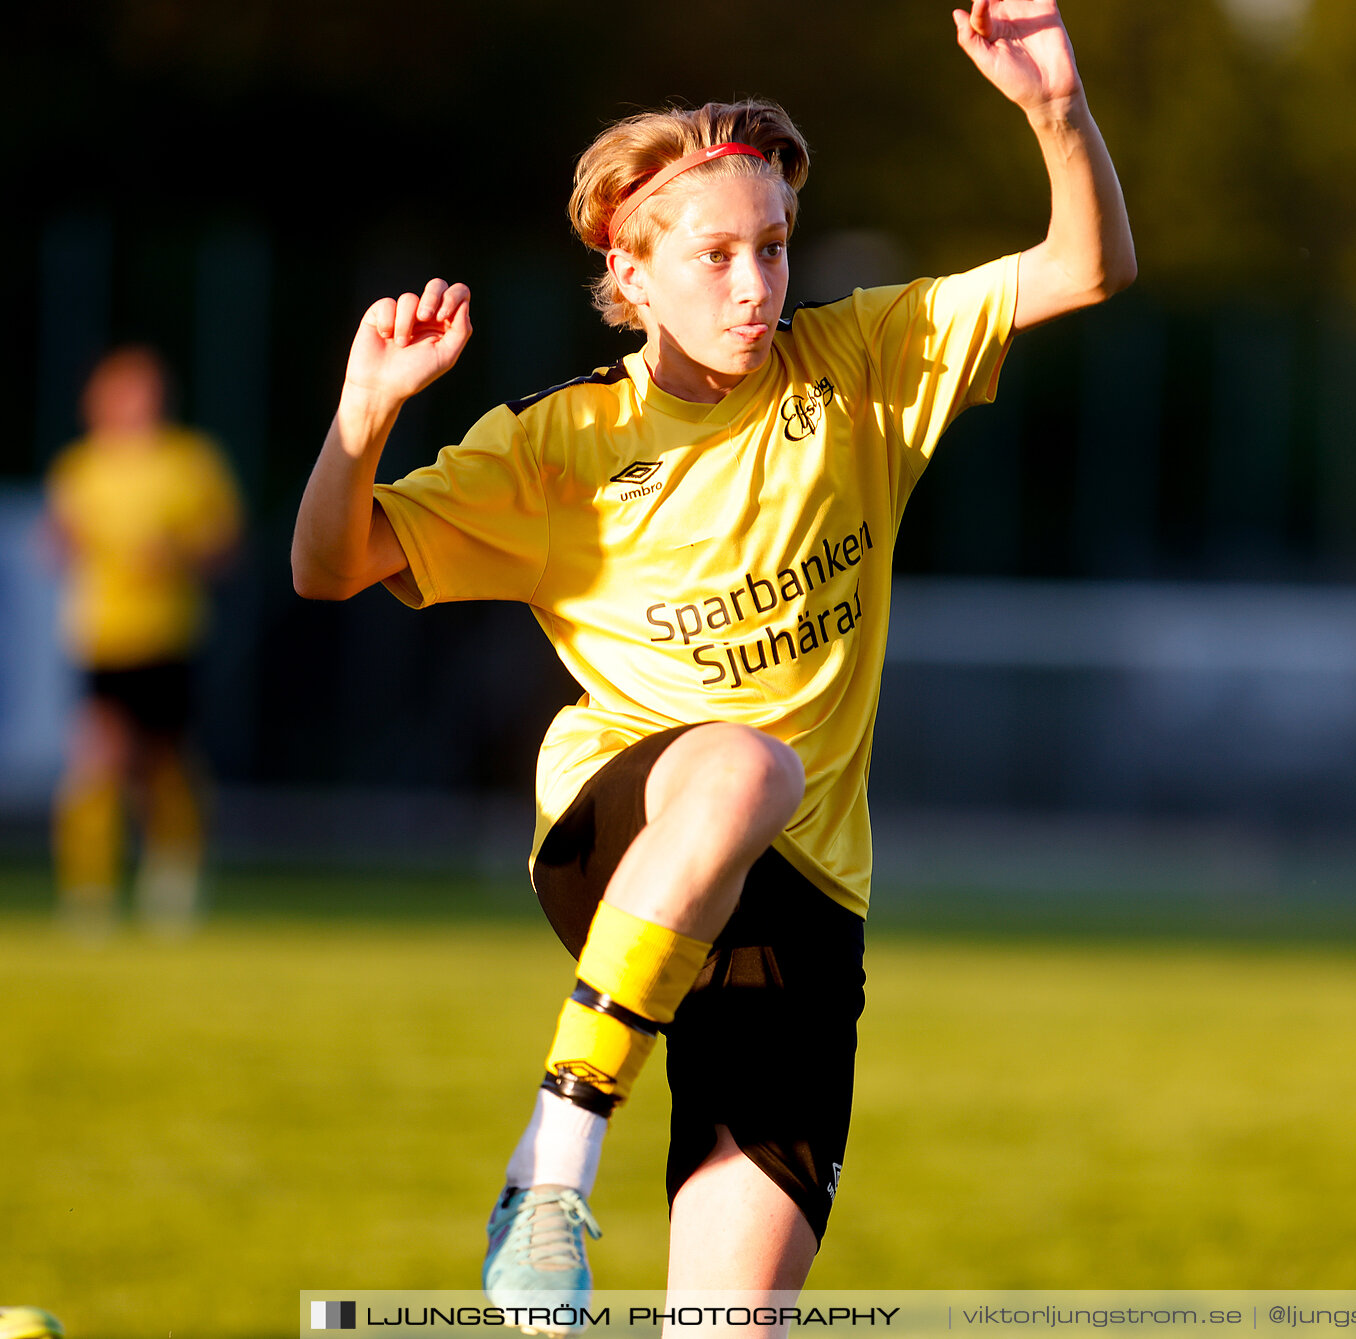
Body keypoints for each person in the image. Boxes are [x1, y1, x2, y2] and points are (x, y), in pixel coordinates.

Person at [291, 0, 1132, 1323]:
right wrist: (361, 420)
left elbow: (1085, 267)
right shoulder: (560, 445)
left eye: (777, 247)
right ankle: (552, 1168)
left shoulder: (859, 366)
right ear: (630, 275)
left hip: (803, 917)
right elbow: (327, 565)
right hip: (623, 835)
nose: (758, 284)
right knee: (746, 764)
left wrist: (1051, 110)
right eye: (719, 253)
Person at [45, 345, 242, 939]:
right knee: (96, 761)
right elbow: (55, 540)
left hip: (168, 636)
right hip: (102, 637)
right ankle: (88, 890)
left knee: (164, 765)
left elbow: (226, 547)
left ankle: (172, 880)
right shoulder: (81, 467)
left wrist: (175, 554)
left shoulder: (190, 460)